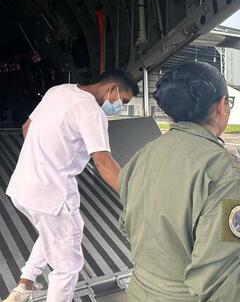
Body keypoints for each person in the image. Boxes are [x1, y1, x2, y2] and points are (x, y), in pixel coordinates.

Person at [118, 62, 240, 302]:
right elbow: (223, 283)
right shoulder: (222, 170)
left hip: (139, 292)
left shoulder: (144, 154)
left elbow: (130, 226)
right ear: (222, 105)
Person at [2, 69, 138, 302]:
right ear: (111, 88)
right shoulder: (92, 112)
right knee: (68, 266)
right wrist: (135, 196)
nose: (120, 107)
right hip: (52, 193)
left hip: (23, 186)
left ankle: (25, 284)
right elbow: (103, 161)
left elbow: (27, 127)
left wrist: (44, 158)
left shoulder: (58, 91)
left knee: (57, 233)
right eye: (122, 100)